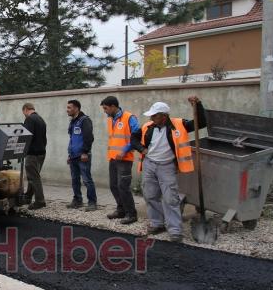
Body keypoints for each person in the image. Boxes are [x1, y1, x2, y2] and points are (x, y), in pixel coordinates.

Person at [131, 96, 206, 242]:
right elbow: (133, 138)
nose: (152, 117)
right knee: (150, 195)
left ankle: (175, 230)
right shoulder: (148, 127)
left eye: (155, 115)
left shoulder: (180, 124)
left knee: (170, 198)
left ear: (164, 116)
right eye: (151, 115)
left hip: (167, 166)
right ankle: (157, 224)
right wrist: (141, 149)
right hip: (149, 165)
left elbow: (201, 123)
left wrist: (197, 106)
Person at [100, 95, 140, 224]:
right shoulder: (110, 119)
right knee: (113, 186)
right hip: (113, 158)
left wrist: (124, 151)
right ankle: (121, 209)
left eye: (106, 108)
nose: (104, 111)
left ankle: (131, 214)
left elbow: (137, 137)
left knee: (123, 186)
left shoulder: (130, 118)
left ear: (113, 106)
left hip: (125, 158)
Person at [66, 99, 97, 211]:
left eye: (69, 107)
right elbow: (72, 139)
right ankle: (77, 200)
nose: (67, 110)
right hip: (73, 156)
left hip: (83, 156)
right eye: (67, 107)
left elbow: (89, 137)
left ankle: (92, 202)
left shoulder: (85, 120)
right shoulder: (73, 122)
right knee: (75, 179)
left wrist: (85, 152)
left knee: (87, 180)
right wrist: (69, 155)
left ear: (76, 108)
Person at [21, 103, 47, 209]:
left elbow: (26, 137)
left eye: (23, 112)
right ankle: (28, 196)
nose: (24, 115)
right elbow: (44, 138)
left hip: (32, 153)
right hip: (41, 152)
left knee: (34, 177)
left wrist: (22, 150)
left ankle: (40, 201)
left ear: (25, 109)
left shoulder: (30, 119)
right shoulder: (41, 119)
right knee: (32, 176)